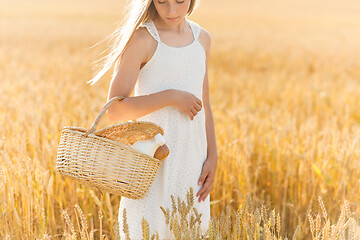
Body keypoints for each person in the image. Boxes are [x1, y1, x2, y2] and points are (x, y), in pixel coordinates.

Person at [87, 0, 218, 239]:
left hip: (192, 164)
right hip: (151, 165)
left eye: (180, 1)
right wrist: (170, 97)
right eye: (162, 1)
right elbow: (115, 111)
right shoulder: (143, 39)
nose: (172, 10)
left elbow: (205, 105)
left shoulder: (202, 40)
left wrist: (213, 156)